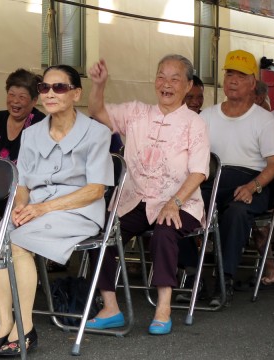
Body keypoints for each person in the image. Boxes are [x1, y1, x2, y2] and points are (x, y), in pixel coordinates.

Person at [0, 65, 113, 355]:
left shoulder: (97, 133)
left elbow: (96, 190)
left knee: (16, 244)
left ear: (76, 93)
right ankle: (4, 322)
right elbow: (23, 183)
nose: (50, 93)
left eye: (59, 87)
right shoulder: (32, 134)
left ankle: (25, 328)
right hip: (36, 208)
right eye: (45, 88)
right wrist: (21, 206)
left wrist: (42, 209)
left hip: (78, 211)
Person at [86, 54, 210, 335]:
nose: (166, 84)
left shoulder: (194, 123)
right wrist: (99, 85)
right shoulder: (136, 112)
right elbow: (98, 111)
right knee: (102, 232)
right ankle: (110, 307)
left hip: (181, 202)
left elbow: (200, 171)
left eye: (175, 78)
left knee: (166, 231)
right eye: (161, 77)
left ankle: (163, 308)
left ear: (188, 86)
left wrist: (174, 202)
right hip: (135, 199)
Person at [199, 50, 274, 304]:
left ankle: (224, 280)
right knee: (180, 209)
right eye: (229, 74)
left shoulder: (264, 119)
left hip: (251, 183)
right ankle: (194, 276)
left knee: (236, 212)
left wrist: (253, 186)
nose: (233, 80)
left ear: (252, 83)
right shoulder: (207, 116)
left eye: (240, 75)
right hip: (212, 180)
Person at [0, 68, 45, 163]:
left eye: (22, 97)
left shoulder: (40, 123)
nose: (15, 101)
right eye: (11, 95)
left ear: (34, 101)